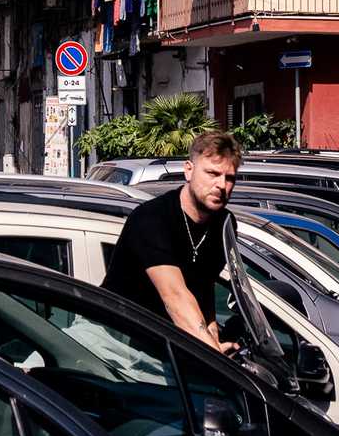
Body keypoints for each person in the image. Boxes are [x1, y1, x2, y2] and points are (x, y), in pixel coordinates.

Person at [103, 130, 242, 353]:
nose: (221, 185)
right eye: (212, 173)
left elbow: (203, 292)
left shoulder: (224, 224)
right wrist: (215, 358)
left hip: (162, 343)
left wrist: (214, 338)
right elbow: (175, 297)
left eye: (230, 178)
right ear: (189, 170)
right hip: (111, 339)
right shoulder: (153, 218)